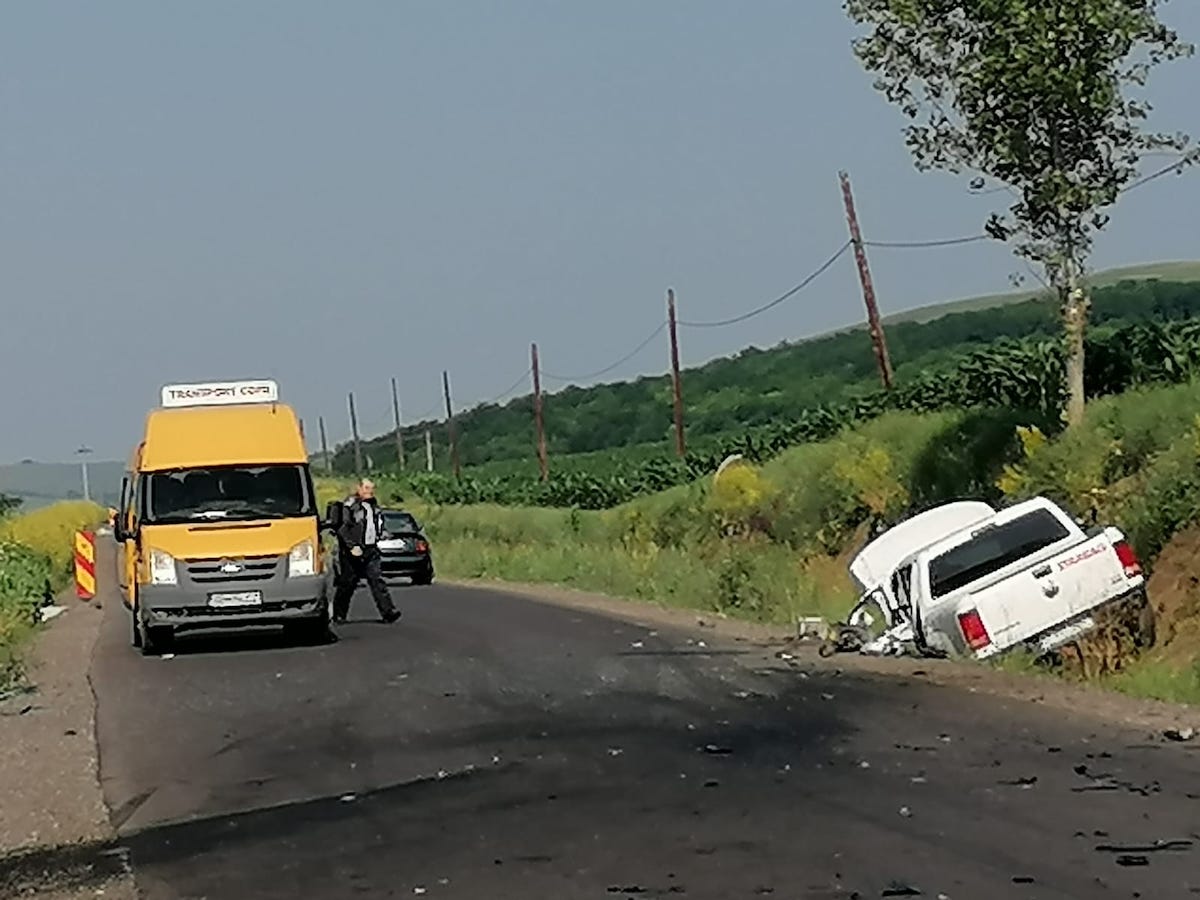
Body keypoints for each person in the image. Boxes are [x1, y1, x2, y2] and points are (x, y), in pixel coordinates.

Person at [331, 479, 401, 624]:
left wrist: (382, 534)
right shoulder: (350, 506)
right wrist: (352, 546)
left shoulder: (374, 506)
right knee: (347, 583)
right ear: (359, 488)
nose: (370, 491)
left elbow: (377, 524)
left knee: (377, 580)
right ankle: (339, 613)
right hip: (353, 551)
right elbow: (343, 529)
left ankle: (388, 612)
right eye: (367, 488)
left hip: (371, 549)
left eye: (372, 488)